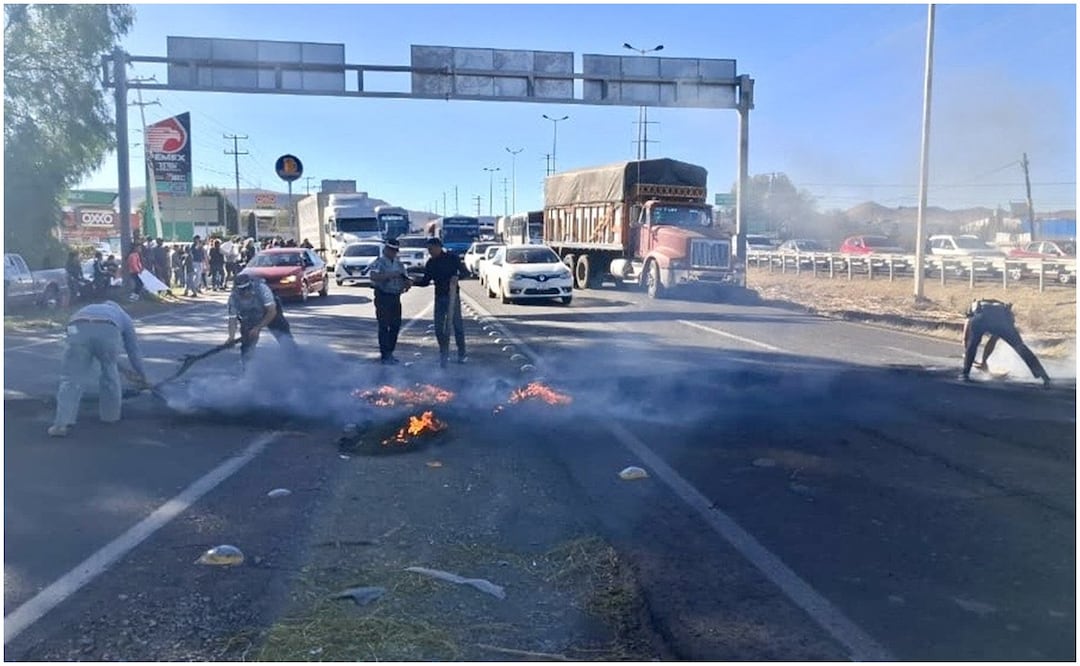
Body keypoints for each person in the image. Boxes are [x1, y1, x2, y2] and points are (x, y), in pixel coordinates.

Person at [48, 300, 149, 437]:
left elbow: (76, 339)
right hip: (108, 329)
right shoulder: (123, 316)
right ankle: (110, 416)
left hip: (77, 328)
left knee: (70, 379)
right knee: (109, 373)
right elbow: (133, 350)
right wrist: (142, 375)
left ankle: (61, 424)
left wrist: (125, 370)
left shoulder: (87, 307)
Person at [961, 298, 1050, 386]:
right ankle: (1044, 377)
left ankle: (965, 374)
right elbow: (993, 341)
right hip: (1003, 322)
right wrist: (984, 361)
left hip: (981, 319)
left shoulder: (975, 308)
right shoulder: (1002, 310)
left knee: (972, 344)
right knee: (1021, 348)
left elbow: (966, 337)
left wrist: (972, 358)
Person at [412, 237, 470, 367]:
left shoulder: (452, 258)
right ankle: (443, 353)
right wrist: (413, 282)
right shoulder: (431, 263)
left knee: (457, 326)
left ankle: (462, 354)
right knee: (439, 328)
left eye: (431, 249)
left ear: (438, 247)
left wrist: (457, 277)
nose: (430, 251)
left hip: (452, 296)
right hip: (439, 297)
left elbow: (466, 273)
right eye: (428, 249)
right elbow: (425, 281)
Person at [227, 273, 298, 363]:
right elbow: (232, 320)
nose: (245, 292)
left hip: (269, 312)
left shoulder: (262, 289)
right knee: (247, 343)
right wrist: (231, 337)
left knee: (283, 335)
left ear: (251, 286)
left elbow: (272, 311)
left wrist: (258, 327)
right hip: (250, 315)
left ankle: (295, 358)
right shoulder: (233, 299)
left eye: (247, 289)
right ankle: (248, 368)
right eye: (242, 290)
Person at [368, 239, 412, 364]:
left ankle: (390, 352)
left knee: (395, 325)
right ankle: (385, 354)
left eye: (395, 250)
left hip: (395, 296)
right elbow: (373, 276)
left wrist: (407, 283)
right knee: (384, 325)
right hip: (383, 295)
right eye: (391, 250)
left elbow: (405, 278)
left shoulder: (399, 264)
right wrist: (389, 275)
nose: (393, 252)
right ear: (386, 249)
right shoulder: (379, 262)